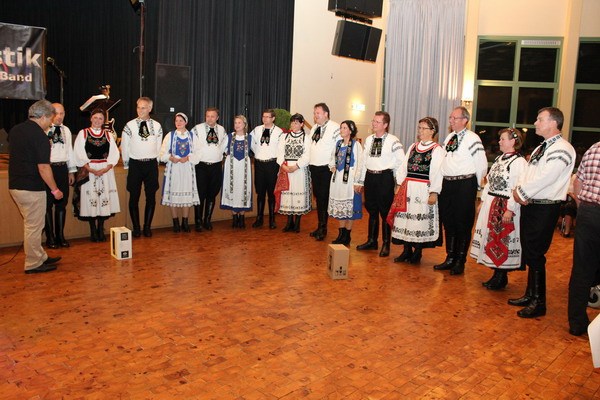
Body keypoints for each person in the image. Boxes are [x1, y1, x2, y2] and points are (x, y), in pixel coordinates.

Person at [511, 107, 575, 318]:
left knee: (536, 253)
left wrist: (522, 192)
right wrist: (519, 190)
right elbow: (528, 173)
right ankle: (530, 294)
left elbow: (548, 177)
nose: (535, 123)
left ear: (554, 123)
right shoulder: (542, 147)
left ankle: (539, 302)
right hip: (532, 203)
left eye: (540, 119)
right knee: (529, 250)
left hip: (545, 206)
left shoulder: (563, 148)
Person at [8, 100, 63, 274]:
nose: (51, 123)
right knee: (34, 227)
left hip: (15, 185)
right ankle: (33, 263)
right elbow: (44, 167)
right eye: (51, 119)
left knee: (33, 224)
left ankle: (40, 256)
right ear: (44, 117)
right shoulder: (40, 137)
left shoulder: (16, 130)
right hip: (31, 188)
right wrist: (55, 190)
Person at [470, 128, 527, 290]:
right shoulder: (499, 159)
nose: (499, 142)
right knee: (492, 237)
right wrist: (483, 201)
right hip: (492, 202)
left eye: (503, 139)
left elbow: (517, 187)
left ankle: (501, 275)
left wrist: (510, 209)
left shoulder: (518, 162)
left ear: (513, 141)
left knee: (502, 238)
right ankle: (496, 273)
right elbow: (489, 182)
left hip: (505, 205)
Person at [434, 106, 487, 275]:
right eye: (450, 117)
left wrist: (477, 187)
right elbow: (443, 162)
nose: (451, 120)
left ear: (465, 120)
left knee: (462, 223)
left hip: (465, 184)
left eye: (454, 118)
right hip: (448, 184)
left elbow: (481, 163)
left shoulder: (473, 138)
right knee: (448, 222)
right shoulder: (450, 137)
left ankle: (460, 261)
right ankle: (450, 257)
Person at [390, 117, 444, 264]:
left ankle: (417, 252)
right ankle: (406, 250)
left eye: (423, 128)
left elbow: (437, 172)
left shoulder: (437, 150)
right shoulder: (413, 147)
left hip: (423, 189)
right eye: (419, 128)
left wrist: (434, 192)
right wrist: (399, 184)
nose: (420, 131)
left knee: (418, 222)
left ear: (432, 131)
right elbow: (403, 166)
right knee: (405, 219)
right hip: (408, 188)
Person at [356, 111, 404, 257]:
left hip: (385, 178)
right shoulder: (369, 139)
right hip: (370, 177)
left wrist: (398, 183)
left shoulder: (393, 141)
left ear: (385, 125)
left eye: (377, 122)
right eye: (373, 121)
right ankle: (372, 241)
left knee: (385, 212)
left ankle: (386, 244)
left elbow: (401, 162)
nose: (374, 124)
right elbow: (363, 161)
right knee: (372, 210)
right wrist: (360, 181)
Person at [568, 141, 600, 336]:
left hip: (588, 212)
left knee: (582, 269)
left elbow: (578, 182)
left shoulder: (594, 148)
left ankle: (577, 323)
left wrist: (583, 207)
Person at [74, 108, 121, 242]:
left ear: (104, 121)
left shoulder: (108, 135)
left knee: (103, 198)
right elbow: (78, 152)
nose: (97, 120)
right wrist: (89, 168)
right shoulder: (83, 133)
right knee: (91, 198)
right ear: (91, 118)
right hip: (89, 169)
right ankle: (92, 230)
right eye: (95, 117)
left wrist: (107, 168)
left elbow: (114, 153)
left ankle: (101, 228)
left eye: (100, 118)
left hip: (105, 170)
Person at [121, 97, 163, 238]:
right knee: (134, 196)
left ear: (150, 108)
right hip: (135, 165)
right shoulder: (129, 126)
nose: (140, 110)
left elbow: (159, 146)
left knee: (151, 197)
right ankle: (136, 228)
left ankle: (147, 227)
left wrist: (156, 161)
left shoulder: (157, 126)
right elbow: (125, 145)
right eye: (138, 107)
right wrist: (126, 164)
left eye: (143, 107)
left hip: (151, 165)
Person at [159, 112, 200, 232]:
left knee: (187, 194)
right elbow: (162, 153)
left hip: (187, 168)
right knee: (173, 195)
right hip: (174, 169)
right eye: (176, 121)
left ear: (186, 122)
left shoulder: (192, 136)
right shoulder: (170, 135)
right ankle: (175, 222)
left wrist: (188, 158)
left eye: (181, 120)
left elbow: (198, 153)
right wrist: (170, 158)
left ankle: (185, 222)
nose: (178, 123)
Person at [44, 103, 76, 248]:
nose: (59, 116)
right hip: (48, 169)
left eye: (62, 113)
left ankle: (60, 236)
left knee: (62, 204)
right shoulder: (44, 129)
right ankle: (50, 237)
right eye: (56, 113)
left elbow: (70, 151)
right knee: (47, 204)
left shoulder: (66, 130)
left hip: (62, 168)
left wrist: (71, 171)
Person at [327, 120, 363, 246]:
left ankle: (347, 235)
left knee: (350, 209)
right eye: (341, 127)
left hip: (350, 180)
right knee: (340, 208)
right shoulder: (338, 144)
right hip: (338, 180)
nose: (341, 130)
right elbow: (332, 158)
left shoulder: (356, 145)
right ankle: (341, 234)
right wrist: (332, 166)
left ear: (350, 131)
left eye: (344, 128)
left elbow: (360, 163)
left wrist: (357, 181)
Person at [309, 103, 340, 241]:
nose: (315, 115)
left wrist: (334, 165)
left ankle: (323, 228)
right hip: (314, 167)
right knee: (318, 197)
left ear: (326, 114)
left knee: (324, 198)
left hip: (326, 168)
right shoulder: (314, 128)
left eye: (318, 113)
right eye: (314, 113)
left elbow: (339, 148)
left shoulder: (335, 127)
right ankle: (320, 226)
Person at [275, 113, 312, 232]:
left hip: (299, 170)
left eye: (296, 123)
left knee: (298, 194)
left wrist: (296, 166)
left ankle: (297, 223)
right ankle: (289, 222)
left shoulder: (306, 138)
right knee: (287, 194)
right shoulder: (284, 137)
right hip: (286, 168)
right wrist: (284, 166)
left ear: (302, 124)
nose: (293, 125)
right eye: (292, 122)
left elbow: (307, 155)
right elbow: (279, 153)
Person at [192, 107, 227, 231]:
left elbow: (224, 146)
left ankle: (207, 220)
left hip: (216, 166)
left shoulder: (222, 130)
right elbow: (191, 145)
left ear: (217, 117)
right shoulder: (197, 129)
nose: (209, 118)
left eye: (212, 116)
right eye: (207, 116)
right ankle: (198, 221)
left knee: (212, 194)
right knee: (200, 194)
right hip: (201, 166)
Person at [250, 109, 283, 229]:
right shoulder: (257, 130)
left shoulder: (279, 132)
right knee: (260, 192)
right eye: (263, 116)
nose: (265, 119)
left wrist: (278, 164)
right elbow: (251, 142)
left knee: (271, 193)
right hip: (259, 164)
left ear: (273, 118)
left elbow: (281, 149)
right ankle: (259, 218)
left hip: (272, 165)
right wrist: (258, 153)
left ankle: (272, 220)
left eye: (268, 117)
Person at [221, 115, 253, 228]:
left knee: (243, 188)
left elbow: (257, 150)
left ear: (244, 124)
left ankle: (242, 217)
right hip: (232, 167)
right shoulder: (229, 137)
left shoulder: (249, 137)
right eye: (235, 123)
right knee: (233, 189)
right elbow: (221, 149)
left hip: (244, 167)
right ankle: (235, 217)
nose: (237, 125)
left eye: (239, 123)